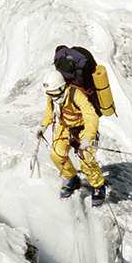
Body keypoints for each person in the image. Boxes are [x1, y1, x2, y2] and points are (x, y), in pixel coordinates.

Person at [37, 69, 106, 206]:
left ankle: (98, 185)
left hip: (83, 129)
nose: (53, 97)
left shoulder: (76, 95)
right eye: (50, 94)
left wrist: (88, 137)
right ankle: (72, 178)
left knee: (86, 159)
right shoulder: (53, 95)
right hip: (66, 127)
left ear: (62, 87)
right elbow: (49, 111)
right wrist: (43, 126)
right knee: (56, 154)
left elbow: (90, 115)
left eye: (55, 93)